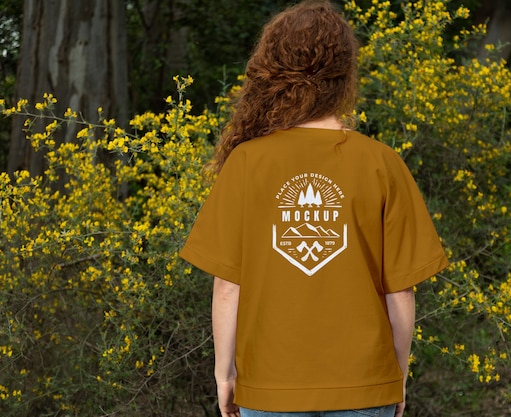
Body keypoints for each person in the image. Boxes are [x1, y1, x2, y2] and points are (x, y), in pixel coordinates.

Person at [179, 1, 449, 417]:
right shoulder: (381, 162)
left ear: (272, 70)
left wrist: (225, 374)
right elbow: (401, 290)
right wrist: (396, 376)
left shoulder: (248, 162)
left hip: (269, 388)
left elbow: (228, 287)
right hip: (364, 385)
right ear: (345, 74)